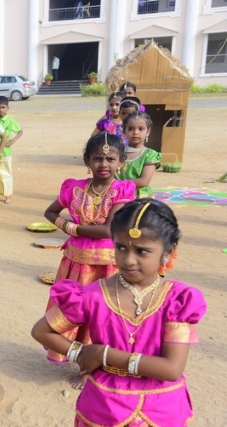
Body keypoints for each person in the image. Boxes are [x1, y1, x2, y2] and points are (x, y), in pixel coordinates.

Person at [32, 199, 207, 426]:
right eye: (121, 248)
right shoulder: (93, 295)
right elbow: (41, 331)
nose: (129, 260)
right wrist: (80, 352)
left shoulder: (176, 301)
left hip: (161, 410)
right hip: (104, 408)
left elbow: (172, 369)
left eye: (142, 251)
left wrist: (104, 355)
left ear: (168, 251)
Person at [43, 132, 136, 387]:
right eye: (97, 159)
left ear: (121, 162)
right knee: (75, 312)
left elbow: (108, 230)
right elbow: (50, 212)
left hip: (107, 266)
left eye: (110, 159)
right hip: (75, 263)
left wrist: (74, 229)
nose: (103, 164)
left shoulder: (122, 190)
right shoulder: (73, 188)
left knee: (103, 315)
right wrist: (67, 226)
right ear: (87, 161)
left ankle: (94, 367)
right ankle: (81, 360)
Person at [117, 111, 161, 198]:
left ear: (148, 131)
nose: (135, 132)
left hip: (139, 197)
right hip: (117, 194)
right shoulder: (117, 152)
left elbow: (143, 181)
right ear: (123, 131)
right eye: (130, 129)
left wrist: (116, 185)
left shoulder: (150, 155)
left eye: (141, 129)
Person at [0, 96, 24, 205]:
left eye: (3, 107)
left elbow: (20, 131)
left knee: (6, 174)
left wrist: (13, 141)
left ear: (7, 108)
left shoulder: (10, 121)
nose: (0, 110)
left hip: (6, 151)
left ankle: (7, 195)